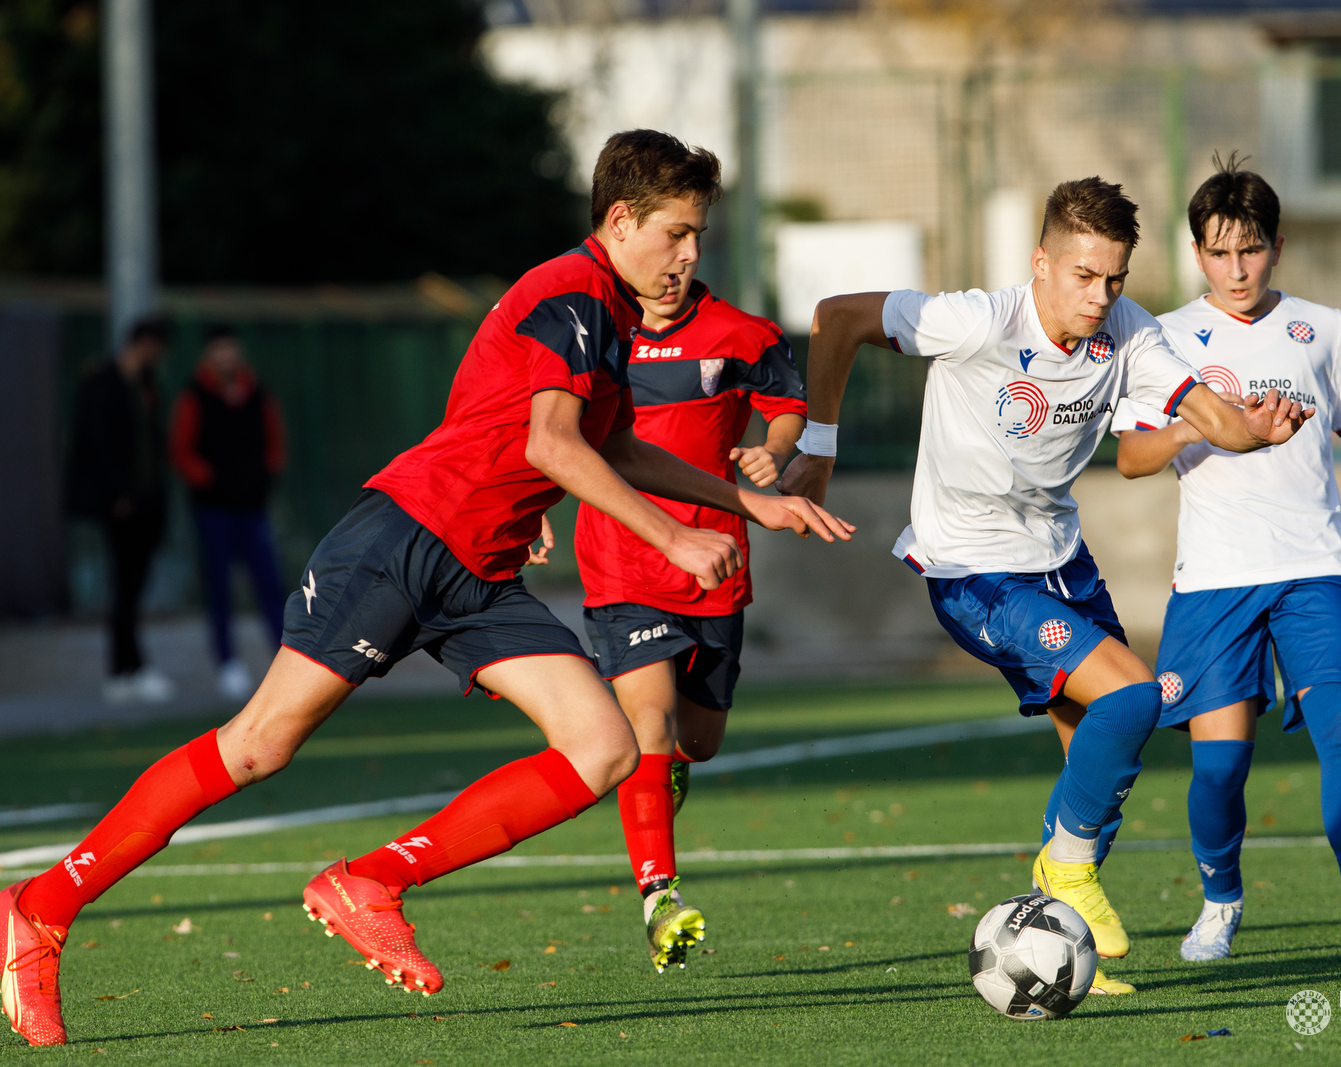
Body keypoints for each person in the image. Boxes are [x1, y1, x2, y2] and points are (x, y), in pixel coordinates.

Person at [0, 129, 852, 1047]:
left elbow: (607, 445)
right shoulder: (571, 292)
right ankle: (39, 910)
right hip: (407, 538)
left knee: (601, 748)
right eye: (679, 233)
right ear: (620, 219)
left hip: (479, 570)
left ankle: (372, 880)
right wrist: (676, 536)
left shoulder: (606, 310)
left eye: (698, 237)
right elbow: (552, 445)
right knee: (258, 744)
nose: (692, 255)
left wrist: (744, 506)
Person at [778, 176, 1311, 995]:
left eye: (1115, 278)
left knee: (1101, 762)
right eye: (1083, 275)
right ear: (1041, 263)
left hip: (1062, 559)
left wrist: (1256, 430)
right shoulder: (979, 320)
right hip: (973, 570)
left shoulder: (1127, 332)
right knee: (1135, 698)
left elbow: (1211, 416)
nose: (1101, 296)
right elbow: (838, 315)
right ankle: (1061, 873)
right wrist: (820, 441)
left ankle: (1058, 945)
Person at [1109, 156, 1341, 964]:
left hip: (1315, 569)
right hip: (1214, 583)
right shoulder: (1165, 337)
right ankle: (1220, 901)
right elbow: (1130, 460)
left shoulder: (1321, 328)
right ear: (1197, 255)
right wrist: (1202, 427)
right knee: (1220, 768)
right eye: (1218, 253)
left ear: (1277, 246)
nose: (1236, 268)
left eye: (1249, 249)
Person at [574, 268, 805, 972]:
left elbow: (788, 403)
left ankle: (662, 776)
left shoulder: (742, 333)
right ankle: (659, 894)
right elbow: (549, 430)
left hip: (716, 563)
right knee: (649, 722)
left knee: (695, 744)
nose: (677, 263)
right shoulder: (592, 335)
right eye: (669, 237)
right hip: (621, 560)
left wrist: (776, 449)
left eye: (691, 239)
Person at [169, 325, 289, 699]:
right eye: (219, 352)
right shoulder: (194, 398)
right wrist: (211, 480)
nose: (226, 360)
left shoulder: (257, 394)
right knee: (219, 588)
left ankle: (286, 661)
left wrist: (264, 476)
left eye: (231, 351)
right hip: (214, 509)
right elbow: (181, 451)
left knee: (270, 584)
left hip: (253, 507)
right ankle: (227, 663)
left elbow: (275, 442)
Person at [65, 316, 177, 705]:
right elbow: (94, 443)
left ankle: (132, 667)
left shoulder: (147, 387)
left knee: (133, 586)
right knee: (124, 587)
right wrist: (117, 493)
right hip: (121, 506)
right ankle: (123, 669)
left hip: (146, 504)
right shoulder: (103, 383)